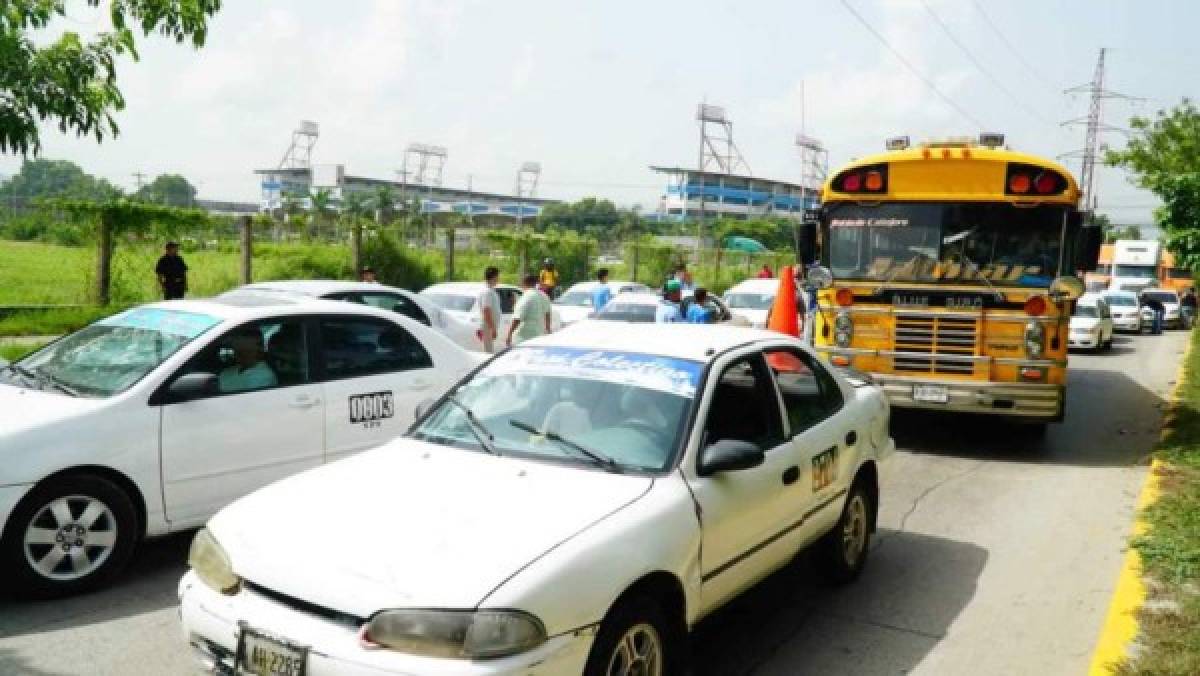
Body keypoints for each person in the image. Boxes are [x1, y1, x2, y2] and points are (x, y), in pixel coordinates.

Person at [218, 328, 278, 393]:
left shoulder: (264, 377)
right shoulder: (228, 371)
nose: (234, 352)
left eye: (241, 351)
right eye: (235, 349)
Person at [507, 274, 553, 347]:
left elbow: (517, 318)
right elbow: (547, 313)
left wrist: (509, 334)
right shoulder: (544, 296)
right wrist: (548, 329)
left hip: (524, 336)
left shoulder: (526, 296)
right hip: (538, 333)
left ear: (524, 283)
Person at [477, 266, 503, 353]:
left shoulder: (490, 290)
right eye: (498, 276)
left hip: (489, 326)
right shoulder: (487, 292)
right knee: (488, 353)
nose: (499, 278)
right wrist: (492, 328)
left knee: (489, 351)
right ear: (494, 277)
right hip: (487, 326)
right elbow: (486, 310)